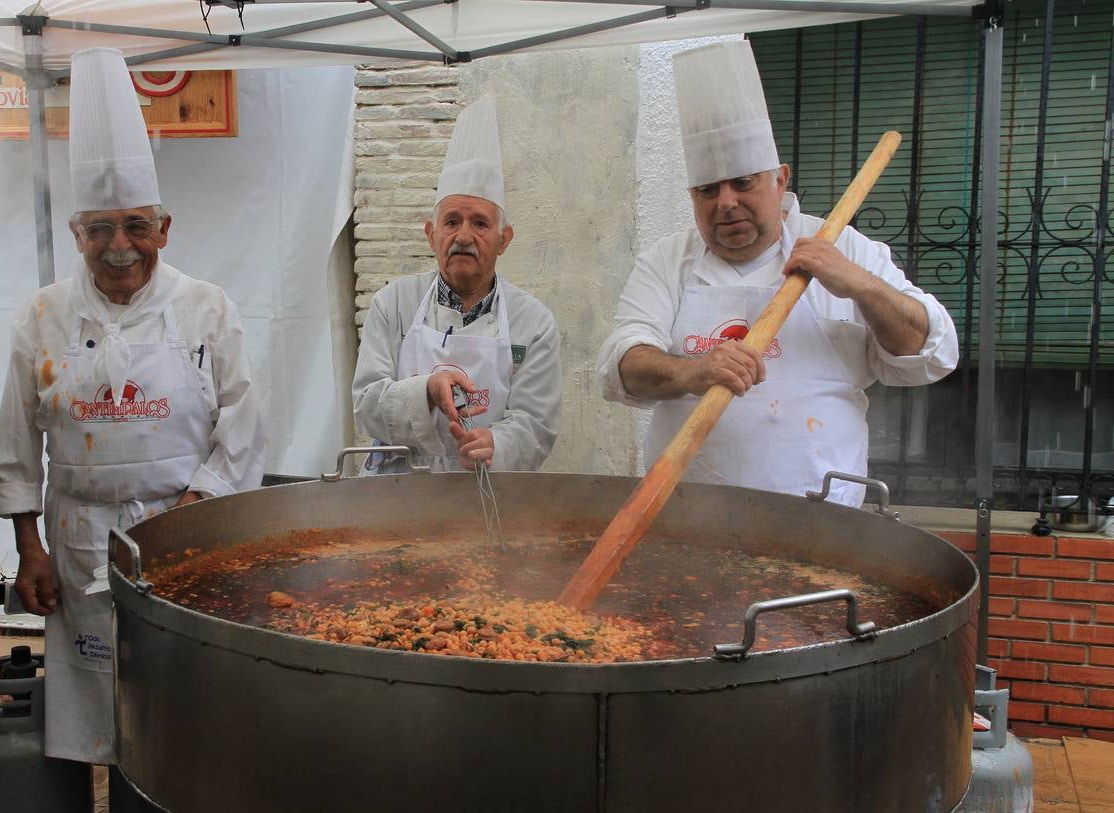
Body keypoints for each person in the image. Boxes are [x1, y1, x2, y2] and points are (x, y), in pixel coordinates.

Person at [0, 47, 263, 813]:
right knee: (118, 721)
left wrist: (191, 516)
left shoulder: (205, 308)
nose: (120, 249)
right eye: (101, 230)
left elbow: (244, 432)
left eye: (136, 227)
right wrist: (29, 547)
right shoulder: (41, 316)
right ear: (77, 234)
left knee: (195, 720)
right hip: (80, 547)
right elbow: (15, 441)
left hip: (185, 545)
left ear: (165, 227)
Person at [596, 40, 958, 508]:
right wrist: (691, 372)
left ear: (779, 180)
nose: (726, 203)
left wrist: (860, 285)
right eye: (708, 190)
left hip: (820, 514)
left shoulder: (842, 246)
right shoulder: (666, 262)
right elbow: (622, 365)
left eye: (743, 183)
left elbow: (931, 352)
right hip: (689, 515)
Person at [352, 96, 562, 474]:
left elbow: (536, 424)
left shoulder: (534, 322)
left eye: (480, 223)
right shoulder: (393, 304)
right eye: (451, 221)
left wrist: (497, 442)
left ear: (504, 239)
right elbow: (366, 404)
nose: (463, 236)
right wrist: (426, 391)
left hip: (486, 498)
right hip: (396, 499)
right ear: (432, 235)